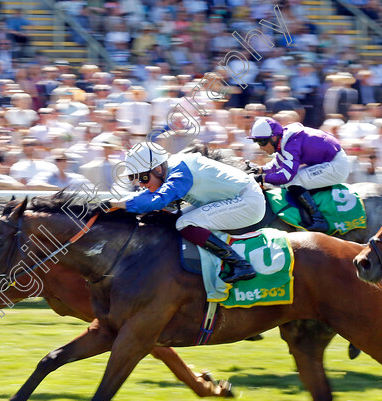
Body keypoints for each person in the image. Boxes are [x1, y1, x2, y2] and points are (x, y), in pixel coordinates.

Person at [107, 142, 266, 284]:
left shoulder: (180, 172)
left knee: (184, 223)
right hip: (232, 198)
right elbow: (146, 197)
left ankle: (240, 265)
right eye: (136, 179)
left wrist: (114, 203)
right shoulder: (170, 169)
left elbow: (157, 200)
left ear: (157, 168)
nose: (141, 184)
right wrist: (111, 203)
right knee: (177, 219)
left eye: (143, 178)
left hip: (248, 202)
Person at [248, 117, 351, 232]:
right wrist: (259, 170)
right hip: (329, 161)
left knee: (293, 181)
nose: (260, 147)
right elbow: (276, 166)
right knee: (293, 181)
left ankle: (319, 220)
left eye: (262, 141)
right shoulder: (284, 140)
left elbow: (286, 176)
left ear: (274, 137)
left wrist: (262, 178)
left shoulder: (291, 143)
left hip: (337, 165)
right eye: (256, 142)